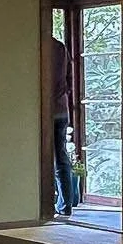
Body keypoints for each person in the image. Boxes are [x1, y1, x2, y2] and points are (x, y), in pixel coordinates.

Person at [49, 35, 77, 216]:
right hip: (62, 108)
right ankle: (66, 204)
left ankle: (47, 204)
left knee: (45, 157)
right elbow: (69, 79)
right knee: (61, 154)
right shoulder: (60, 48)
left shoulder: (38, 47)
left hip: (47, 110)